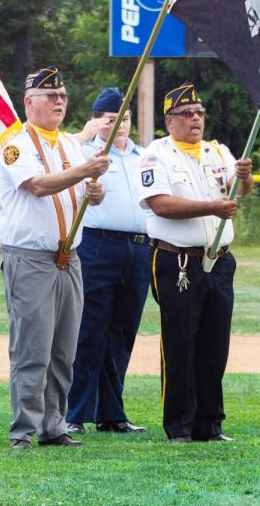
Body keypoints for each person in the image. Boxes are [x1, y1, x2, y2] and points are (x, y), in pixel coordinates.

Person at [0, 66, 110, 450]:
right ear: (29, 102)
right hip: (30, 258)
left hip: (68, 256)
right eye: (50, 96)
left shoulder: (70, 145)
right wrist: (83, 173)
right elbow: (38, 186)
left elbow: (87, 190)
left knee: (64, 348)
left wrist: (95, 193)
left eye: (62, 95)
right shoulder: (15, 145)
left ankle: (54, 425)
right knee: (32, 347)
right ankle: (22, 429)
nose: (59, 101)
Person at [136, 83, 253, 442]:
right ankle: (179, 426)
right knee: (180, 343)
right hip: (177, 260)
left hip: (218, 259)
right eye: (186, 114)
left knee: (215, 344)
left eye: (199, 113)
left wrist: (244, 178)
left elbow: (237, 191)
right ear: (169, 121)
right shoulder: (156, 155)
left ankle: (210, 423)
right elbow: (160, 204)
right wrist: (211, 208)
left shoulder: (218, 151)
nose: (195, 119)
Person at [66, 87, 150, 435]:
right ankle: (75, 412)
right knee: (89, 330)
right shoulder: (80, 153)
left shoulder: (143, 156)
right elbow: (64, 147)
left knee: (122, 330)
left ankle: (111, 413)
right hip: (98, 246)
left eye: (125, 118)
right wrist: (87, 132)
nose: (120, 125)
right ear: (97, 120)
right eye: (112, 119)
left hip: (138, 247)